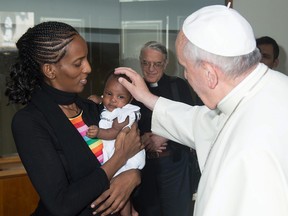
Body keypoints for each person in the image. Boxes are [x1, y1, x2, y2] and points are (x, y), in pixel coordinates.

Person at [114, 5, 288, 216]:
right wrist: (146, 97)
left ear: (209, 74)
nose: (185, 75)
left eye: (186, 68)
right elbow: (201, 121)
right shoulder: (266, 88)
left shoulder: (252, 152)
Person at [5, 21, 143, 216]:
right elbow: (61, 204)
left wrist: (133, 175)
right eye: (78, 63)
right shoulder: (29, 122)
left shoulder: (93, 109)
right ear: (50, 70)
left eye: (86, 59)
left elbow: (135, 145)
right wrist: (120, 159)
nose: (88, 68)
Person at [131, 41, 201, 216]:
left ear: (166, 63)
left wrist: (165, 135)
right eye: (146, 63)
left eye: (157, 64)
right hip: (143, 166)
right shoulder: (132, 87)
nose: (151, 69)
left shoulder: (178, 85)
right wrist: (141, 138)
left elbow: (192, 120)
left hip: (174, 165)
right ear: (140, 62)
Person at [87, 72, 146, 216]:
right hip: (116, 152)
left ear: (130, 99)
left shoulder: (124, 114)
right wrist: (95, 99)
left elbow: (114, 132)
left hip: (127, 157)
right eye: (108, 94)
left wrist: (98, 133)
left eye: (120, 97)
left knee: (121, 191)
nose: (113, 100)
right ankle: (132, 211)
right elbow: (101, 100)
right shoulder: (110, 106)